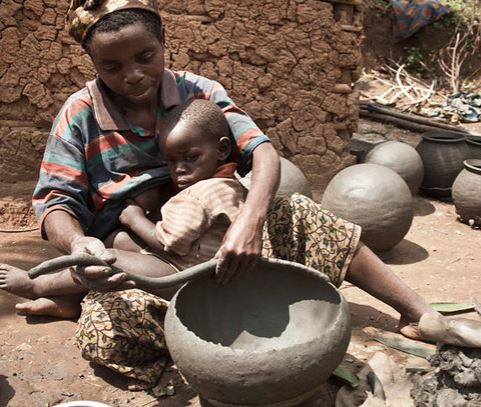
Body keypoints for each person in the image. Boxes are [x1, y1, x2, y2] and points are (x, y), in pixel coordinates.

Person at [0, 0, 440, 389]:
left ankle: (416, 313)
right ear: (92, 62)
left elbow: (261, 152)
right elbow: (56, 201)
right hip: (139, 253)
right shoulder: (78, 114)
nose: (132, 75)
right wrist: (79, 245)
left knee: (300, 212)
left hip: (218, 235)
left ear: (163, 42)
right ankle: (87, 299)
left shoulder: (199, 92)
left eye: (145, 57)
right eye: (111, 68)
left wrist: (249, 222)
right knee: (106, 329)